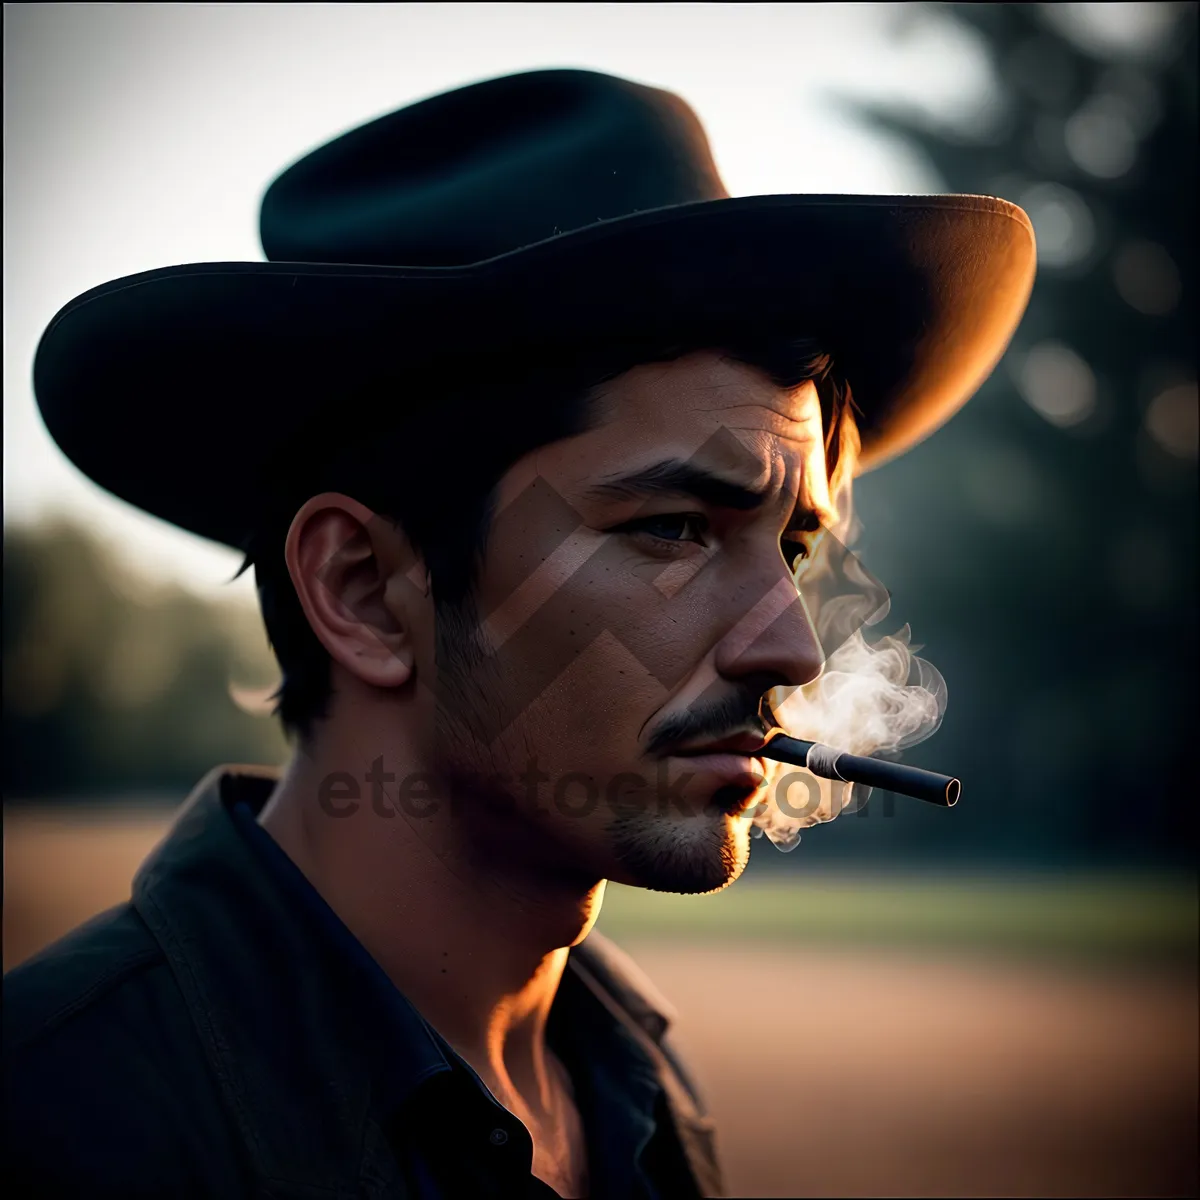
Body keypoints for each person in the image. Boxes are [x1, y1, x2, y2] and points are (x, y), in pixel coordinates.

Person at [4, 68, 1034, 1199]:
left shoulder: (632, 1084)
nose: (789, 650)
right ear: (359, 590)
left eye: (791, 546)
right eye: (676, 528)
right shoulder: (60, 1123)